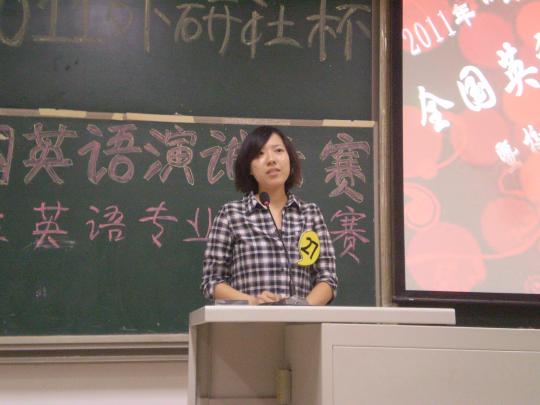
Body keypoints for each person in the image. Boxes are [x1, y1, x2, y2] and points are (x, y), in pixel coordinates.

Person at [201, 126, 337, 305]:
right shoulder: (231, 214)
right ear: (249, 168)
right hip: (247, 321)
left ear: (290, 160)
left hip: (301, 321)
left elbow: (327, 278)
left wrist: (302, 309)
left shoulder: (310, 214)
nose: (271, 160)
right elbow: (212, 281)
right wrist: (253, 301)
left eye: (278, 151)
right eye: (259, 154)